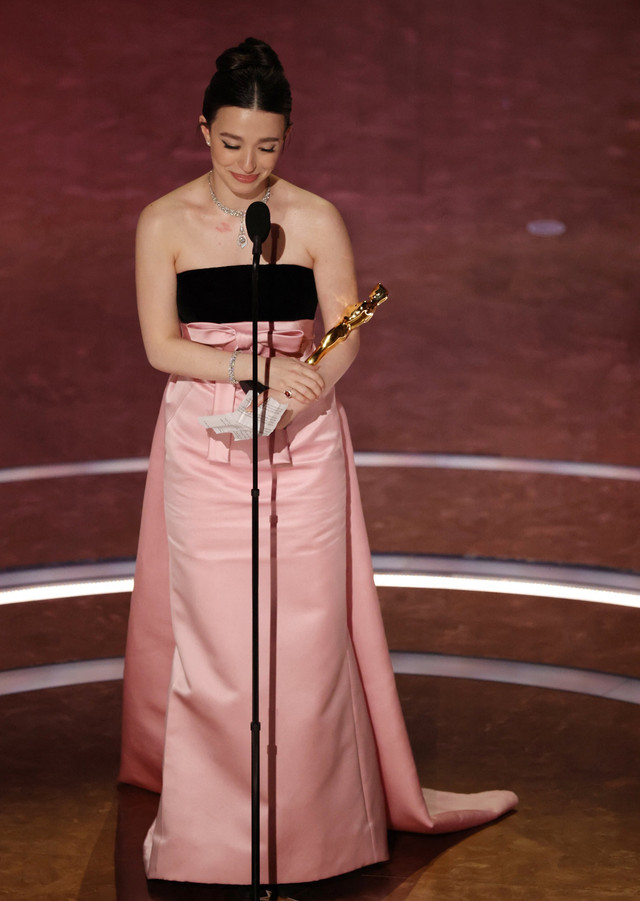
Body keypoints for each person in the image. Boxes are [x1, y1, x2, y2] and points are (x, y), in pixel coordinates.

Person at [118, 37, 518, 888]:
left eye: (267, 146)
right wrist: (247, 369)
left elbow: (344, 335)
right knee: (223, 642)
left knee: (304, 639)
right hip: (206, 438)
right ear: (203, 130)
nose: (248, 164)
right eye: (231, 144)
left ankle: (316, 836)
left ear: (287, 138)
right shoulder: (163, 221)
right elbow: (160, 346)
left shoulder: (315, 217)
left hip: (302, 442)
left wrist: (301, 389)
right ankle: (215, 839)